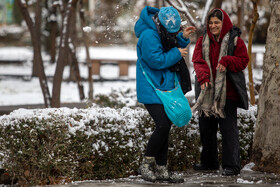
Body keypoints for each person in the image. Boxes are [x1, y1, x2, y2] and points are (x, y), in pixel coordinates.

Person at [134, 6, 196, 182]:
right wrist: (177, 53)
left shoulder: (160, 31)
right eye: (171, 31)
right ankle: (146, 164)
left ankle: (162, 170)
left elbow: (171, 43)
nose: (173, 34)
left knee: (165, 126)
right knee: (162, 124)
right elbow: (157, 60)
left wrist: (182, 38)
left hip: (163, 87)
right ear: (160, 24)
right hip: (151, 88)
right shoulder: (148, 36)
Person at [192, 8, 249, 176]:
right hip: (207, 92)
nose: (213, 25)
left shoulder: (235, 40)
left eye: (216, 22)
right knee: (206, 128)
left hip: (227, 94)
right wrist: (203, 77)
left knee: (228, 130)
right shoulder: (203, 40)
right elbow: (197, 60)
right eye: (210, 23)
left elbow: (243, 61)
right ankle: (209, 163)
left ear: (224, 23)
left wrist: (227, 60)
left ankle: (232, 165)